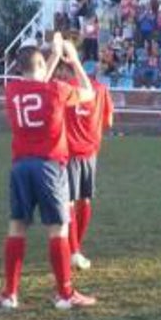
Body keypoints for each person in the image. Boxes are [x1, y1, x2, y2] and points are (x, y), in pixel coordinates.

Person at [0, 36, 97, 310]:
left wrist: (52, 55)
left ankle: (10, 294)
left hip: (20, 167)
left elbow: (37, 81)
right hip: (50, 167)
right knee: (58, 230)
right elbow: (88, 92)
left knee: (17, 227)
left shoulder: (12, 90)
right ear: (42, 64)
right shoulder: (57, 90)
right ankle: (64, 293)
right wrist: (71, 59)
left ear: (19, 68)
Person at [61, 60, 115, 271]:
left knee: (69, 202)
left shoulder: (66, 89)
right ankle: (76, 248)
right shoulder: (101, 89)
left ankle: (73, 250)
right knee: (85, 200)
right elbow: (109, 121)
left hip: (68, 151)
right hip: (90, 152)